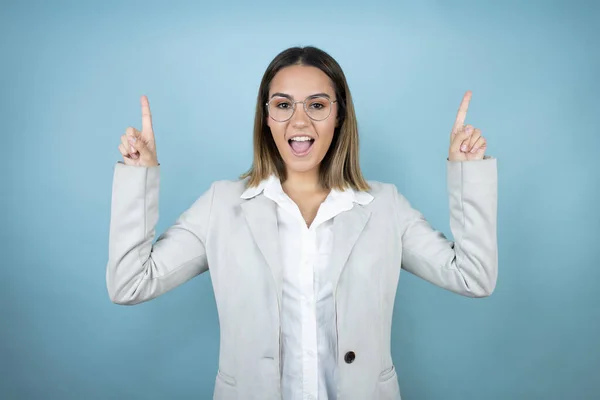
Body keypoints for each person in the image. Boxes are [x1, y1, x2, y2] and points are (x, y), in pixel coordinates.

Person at [106, 46, 497, 400]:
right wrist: (139, 175)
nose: (299, 120)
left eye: (316, 105)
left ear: (339, 114)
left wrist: (468, 174)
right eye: (283, 105)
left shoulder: (385, 206)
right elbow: (130, 283)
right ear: (266, 117)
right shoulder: (221, 205)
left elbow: (473, 276)